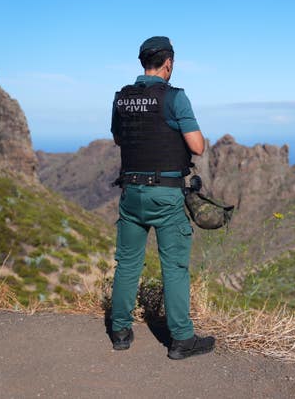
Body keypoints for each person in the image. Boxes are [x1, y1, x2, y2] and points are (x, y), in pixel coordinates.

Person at [109, 36, 214, 359]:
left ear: (143, 63)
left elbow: (118, 138)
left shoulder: (121, 99)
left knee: (127, 264)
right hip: (165, 196)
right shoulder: (175, 98)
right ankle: (182, 339)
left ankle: (120, 332)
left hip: (131, 193)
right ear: (168, 64)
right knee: (174, 266)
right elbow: (197, 146)